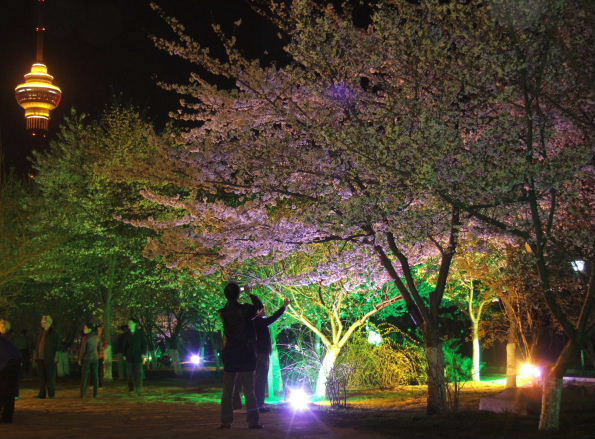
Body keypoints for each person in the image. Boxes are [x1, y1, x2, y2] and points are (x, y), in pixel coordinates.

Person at [234, 295, 289, 412]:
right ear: (258, 311)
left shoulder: (248, 323)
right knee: (261, 380)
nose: (264, 312)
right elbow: (275, 317)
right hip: (261, 354)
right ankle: (259, 405)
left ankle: (252, 404)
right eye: (262, 310)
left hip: (251, 354)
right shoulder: (260, 322)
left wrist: (251, 295)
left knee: (251, 380)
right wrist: (284, 307)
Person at [218, 282, 262, 429]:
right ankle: (253, 422)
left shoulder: (223, 312)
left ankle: (226, 422)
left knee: (227, 391)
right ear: (238, 294)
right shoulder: (245, 310)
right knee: (249, 390)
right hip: (246, 353)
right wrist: (251, 293)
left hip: (230, 353)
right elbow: (259, 307)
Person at [0, 319, 22, 423]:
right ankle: (7, 417)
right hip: (12, 364)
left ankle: (6, 416)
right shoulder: (8, 341)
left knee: (4, 391)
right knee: (9, 393)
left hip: (7, 366)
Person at [33, 315, 59, 399]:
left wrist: (55, 355)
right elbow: (38, 344)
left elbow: (57, 346)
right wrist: (36, 355)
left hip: (49, 358)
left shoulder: (53, 333)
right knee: (41, 377)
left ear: (48, 322)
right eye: (42, 321)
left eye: (43, 322)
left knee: (50, 376)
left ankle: (51, 394)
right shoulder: (41, 332)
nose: (42, 323)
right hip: (40, 358)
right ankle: (42, 394)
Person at [121, 318, 147, 395]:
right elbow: (124, 345)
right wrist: (124, 354)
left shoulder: (140, 333)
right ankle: (131, 388)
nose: (129, 324)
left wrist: (143, 354)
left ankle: (139, 388)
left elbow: (144, 344)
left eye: (130, 323)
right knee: (129, 374)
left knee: (138, 373)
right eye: (128, 323)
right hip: (129, 356)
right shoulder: (126, 334)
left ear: (135, 324)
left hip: (138, 356)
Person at [78, 323, 101, 398]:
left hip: (87, 358)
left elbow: (82, 349)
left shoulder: (85, 338)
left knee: (85, 376)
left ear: (89, 329)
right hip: (95, 358)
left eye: (85, 328)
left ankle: (83, 394)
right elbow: (99, 348)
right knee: (95, 376)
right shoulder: (97, 337)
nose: (84, 329)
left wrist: (80, 359)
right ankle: (96, 393)